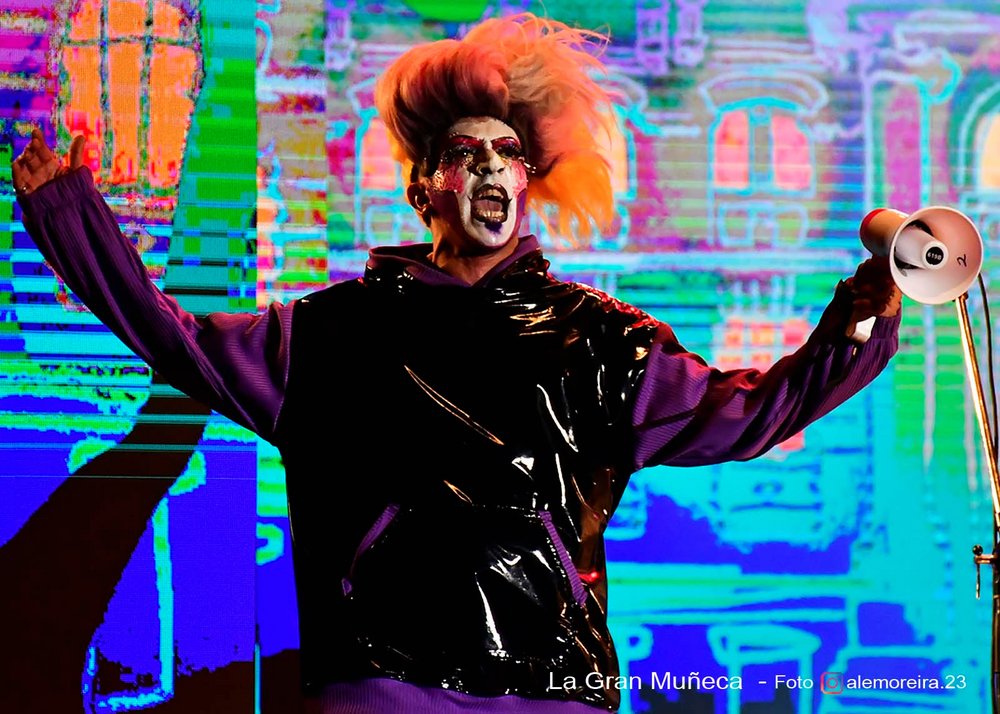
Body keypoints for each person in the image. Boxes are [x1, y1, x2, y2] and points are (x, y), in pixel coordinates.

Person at [11, 13, 900, 714]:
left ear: (529, 179)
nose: (490, 169)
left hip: (554, 690)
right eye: (465, 153)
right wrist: (71, 219)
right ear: (422, 185)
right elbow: (172, 338)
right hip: (379, 687)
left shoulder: (601, 339)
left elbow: (752, 412)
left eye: (508, 152)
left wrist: (857, 322)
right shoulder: (325, 335)